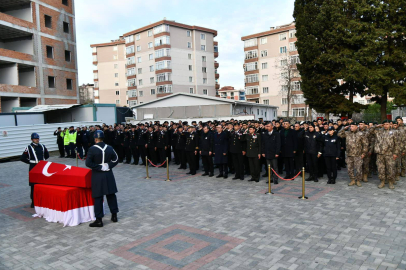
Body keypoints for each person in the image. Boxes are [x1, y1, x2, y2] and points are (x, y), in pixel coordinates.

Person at [85, 130, 119, 227]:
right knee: (111, 195)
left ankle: (99, 220)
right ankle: (114, 215)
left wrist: (99, 167)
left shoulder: (92, 149)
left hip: (97, 175)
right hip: (108, 174)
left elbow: (88, 163)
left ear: (95, 139)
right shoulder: (109, 147)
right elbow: (116, 159)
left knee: (98, 197)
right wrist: (108, 166)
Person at [20, 133, 49, 208]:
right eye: (35, 139)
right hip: (33, 167)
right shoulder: (29, 147)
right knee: (33, 185)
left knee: (42, 184)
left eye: (38, 138)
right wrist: (30, 162)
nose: (37, 140)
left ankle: (42, 200)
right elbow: (22, 158)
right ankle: (33, 202)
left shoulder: (42, 146)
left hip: (42, 167)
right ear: (32, 139)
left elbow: (47, 155)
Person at [368, 121, 399, 189]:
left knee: (390, 169)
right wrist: (376, 126)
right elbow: (370, 131)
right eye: (384, 124)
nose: (385, 126)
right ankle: (382, 181)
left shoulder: (394, 132)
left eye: (387, 124)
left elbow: (397, 144)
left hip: (389, 154)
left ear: (390, 125)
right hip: (380, 154)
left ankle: (390, 182)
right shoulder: (378, 131)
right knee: (380, 169)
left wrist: (395, 153)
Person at [338, 122, 368, 187]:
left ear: (356, 127)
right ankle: (352, 180)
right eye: (350, 126)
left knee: (358, 169)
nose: (351, 127)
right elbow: (339, 134)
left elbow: (365, 144)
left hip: (358, 155)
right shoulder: (347, 133)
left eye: (352, 126)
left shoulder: (361, 134)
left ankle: (358, 180)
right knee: (349, 169)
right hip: (349, 155)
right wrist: (344, 128)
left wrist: (364, 153)